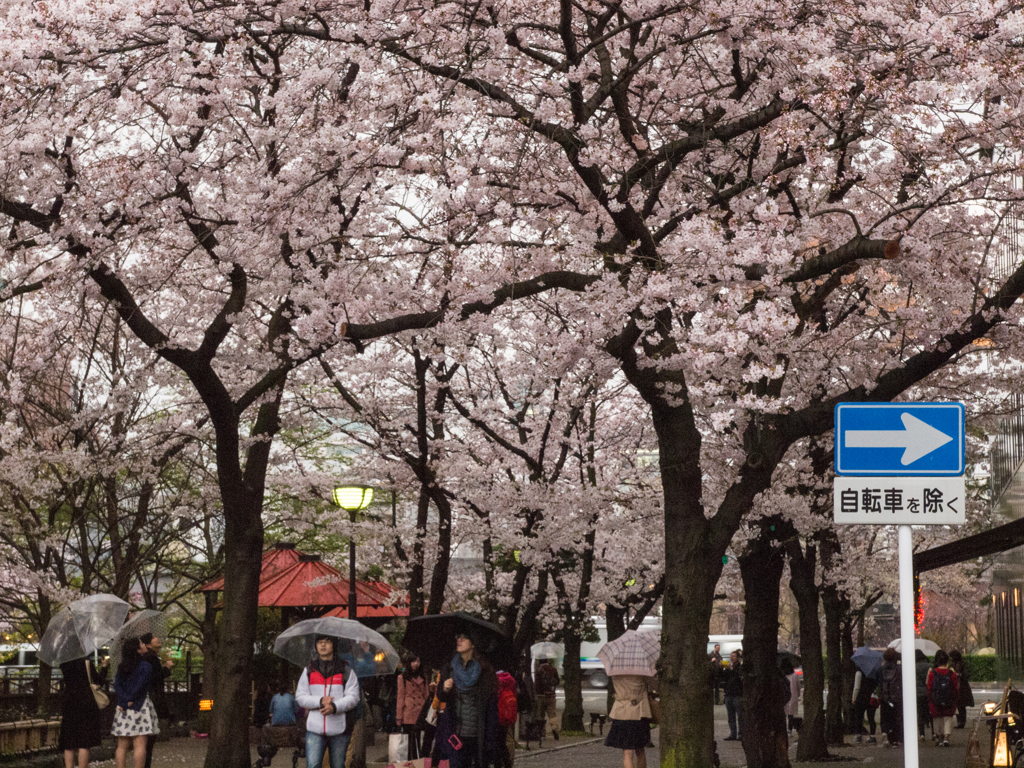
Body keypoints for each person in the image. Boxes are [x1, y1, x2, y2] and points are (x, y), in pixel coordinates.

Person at [435, 631, 500, 768]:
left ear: (473, 644)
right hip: (456, 733)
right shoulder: (450, 667)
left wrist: (490, 741)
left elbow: (491, 706)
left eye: (464, 638)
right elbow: (442, 697)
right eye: (458, 636)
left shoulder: (484, 671)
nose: (459, 640)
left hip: (478, 735)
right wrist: (444, 689)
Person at [295, 635, 361, 768]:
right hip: (314, 729)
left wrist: (335, 707)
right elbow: (300, 696)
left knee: (338, 765)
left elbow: (354, 697)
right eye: (319, 642)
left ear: (334, 645)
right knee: (313, 765)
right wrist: (319, 701)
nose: (323, 645)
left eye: (327, 642)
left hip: (340, 729)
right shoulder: (308, 671)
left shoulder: (346, 671)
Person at [112, 637, 157, 768]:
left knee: (122, 746)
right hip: (140, 707)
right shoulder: (146, 666)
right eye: (142, 643)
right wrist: (131, 700)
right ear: (138, 649)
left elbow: (117, 686)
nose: (144, 645)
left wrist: (123, 701)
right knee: (140, 745)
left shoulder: (122, 667)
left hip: (122, 709)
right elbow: (140, 686)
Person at [58, 654, 110, 768]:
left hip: (69, 702)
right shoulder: (85, 662)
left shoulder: (64, 662)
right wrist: (104, 667)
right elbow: (98, 681)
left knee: (69, 742)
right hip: (85, 702)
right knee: (84, 742)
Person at [604, 673, 655, 768]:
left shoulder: (616, 672)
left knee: (627, 753)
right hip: (638, 713)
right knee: (640, 750)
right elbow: (656, 685)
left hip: (621, 712)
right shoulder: (641, 672)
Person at [138, 633, 173, 768]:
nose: (157, 638)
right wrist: (167, 668)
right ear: (147, 644)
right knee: (148, 739)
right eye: (153, 638)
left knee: (147, 739)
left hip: (151, 699)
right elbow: (154, 678)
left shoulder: (149, 658)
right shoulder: (150, 658)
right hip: (153, 700)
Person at [397, 656, 430, 759]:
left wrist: (428, 711)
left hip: (421, 712)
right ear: (409, 662)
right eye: (414, 661)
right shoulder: (402, 678)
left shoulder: (423, 677)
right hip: (408, 712)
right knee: (410, 742)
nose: (416, 663)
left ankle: (418, 762)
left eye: (418, 661)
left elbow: (426, 695)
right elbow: (400, 697)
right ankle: (411, 762)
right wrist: (399, 716)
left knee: (419, 739)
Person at [927, 649, 959, 747]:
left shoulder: (932, 673)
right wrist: (955, 698)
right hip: (949, 701)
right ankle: (946, 737)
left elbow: (929, 687)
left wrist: (930, 699)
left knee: (937, 718)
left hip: (935, 700)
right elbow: (956, 687)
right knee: (948, 718)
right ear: (947, 662)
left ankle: (939, 736)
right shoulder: (951, 673)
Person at [877, 648, 902, 747]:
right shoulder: (899, 669)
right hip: (896, 697)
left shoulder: (880, 670)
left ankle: (888, 736)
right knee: (897, 717)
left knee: (886, 717)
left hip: (885, 697)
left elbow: (879, 683)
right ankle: (897, 738)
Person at [534, 658, 560, 740]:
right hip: (551, 695)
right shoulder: (553, 669)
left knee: (540, 715)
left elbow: (537, 683)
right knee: (552, 714)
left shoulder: (538, 670)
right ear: (547, 661)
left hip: (541, 696)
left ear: (540, 662)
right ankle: (554, 728)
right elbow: (558, 681)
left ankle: (542, 733)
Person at [849, 667, 877, 744]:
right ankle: (872, 736)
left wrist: (854, 698)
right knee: (871, 717)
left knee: (859, 716)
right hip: (871, 697)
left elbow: (857, 687)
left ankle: (858, 736)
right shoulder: (874, 672)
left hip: (861, 697)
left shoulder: (859, 672)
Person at [721, 650, 743, 741]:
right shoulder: (729, 668)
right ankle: (732, 733)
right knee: (731, 715)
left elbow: (739, 677)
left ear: (738, 658)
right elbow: (723, 677)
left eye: (734, 656)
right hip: (729, 694)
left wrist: (731, 669)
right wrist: (721, 668)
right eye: (731, 656)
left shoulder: (740, 668)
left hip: (737, 694)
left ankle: (741, 734)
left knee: (740, 715)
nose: (732, 658)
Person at [949, 650, 974, 728]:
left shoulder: (960, 664)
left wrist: (959, 675)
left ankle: (961, 722)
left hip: (961, 687)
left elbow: (966, 675)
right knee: (959, 706)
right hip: (959, 687)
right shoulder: (958, 664)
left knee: (961, 706)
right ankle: (960, 721)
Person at [915, 649, 932, 740]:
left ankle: (922, 734)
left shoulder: (914, 667)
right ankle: (934, 733)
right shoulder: (930, 666)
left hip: (918, 693)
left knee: (920, 713)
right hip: (929, 692)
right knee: (930, 712)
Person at [781, 659, 800, 734]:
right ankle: (789, 729)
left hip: (784, 697)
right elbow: (798, 686)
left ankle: (784, 729)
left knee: (783, 713)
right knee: (791, 714)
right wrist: (798, 694)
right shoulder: (795, 675)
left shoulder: (782, 676)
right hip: (793, 696)